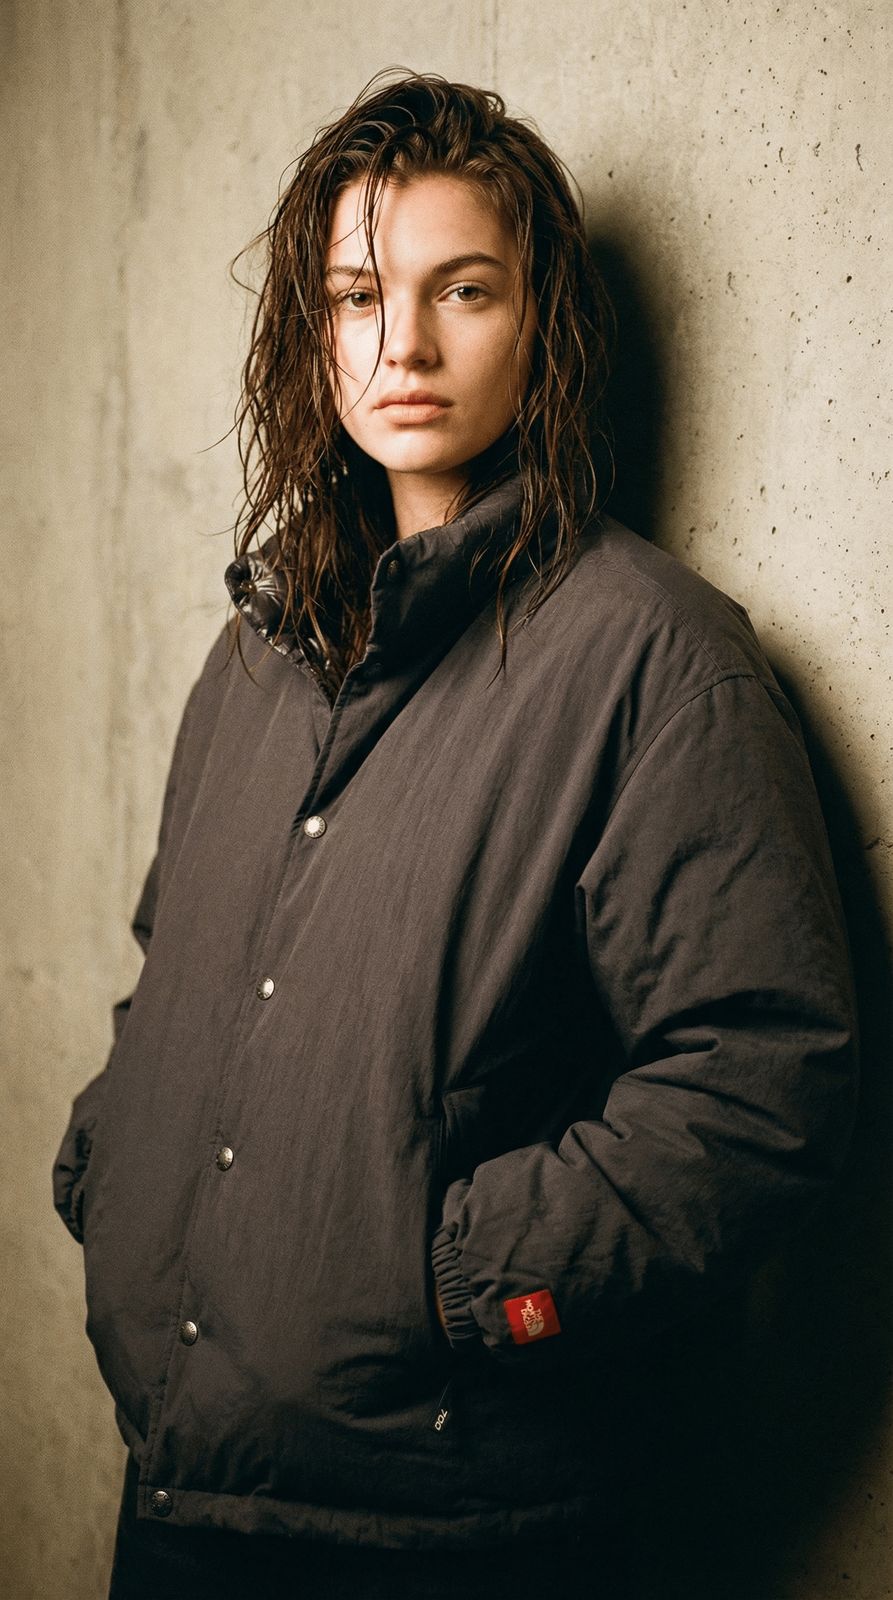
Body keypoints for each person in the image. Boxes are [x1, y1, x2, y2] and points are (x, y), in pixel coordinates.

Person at [53, 71, 858, 1599]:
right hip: (180, 1491)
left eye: (459, 290)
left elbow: (761, 1083)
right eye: (357, 295)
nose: (400, 345)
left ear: (539, 320)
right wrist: (120, 1165)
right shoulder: (258, 658)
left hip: (446, 1533)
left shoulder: (651, 658)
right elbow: (178, 978)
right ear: (314, 330)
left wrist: (467, 1281)